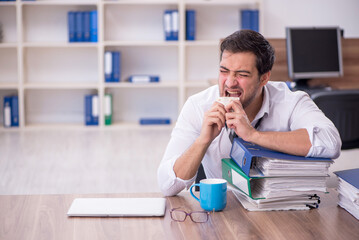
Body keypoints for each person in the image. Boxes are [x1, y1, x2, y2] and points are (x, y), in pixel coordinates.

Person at [157, 30, 341, 197]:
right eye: (224, 71)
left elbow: (330, 142)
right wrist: (202, 141)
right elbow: (166, 185)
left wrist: (253, 135)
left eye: (242, 75)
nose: (229, 83)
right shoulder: (199, 105)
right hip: (225, 209)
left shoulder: (291, 101)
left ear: (264, 78)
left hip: (279, 205)